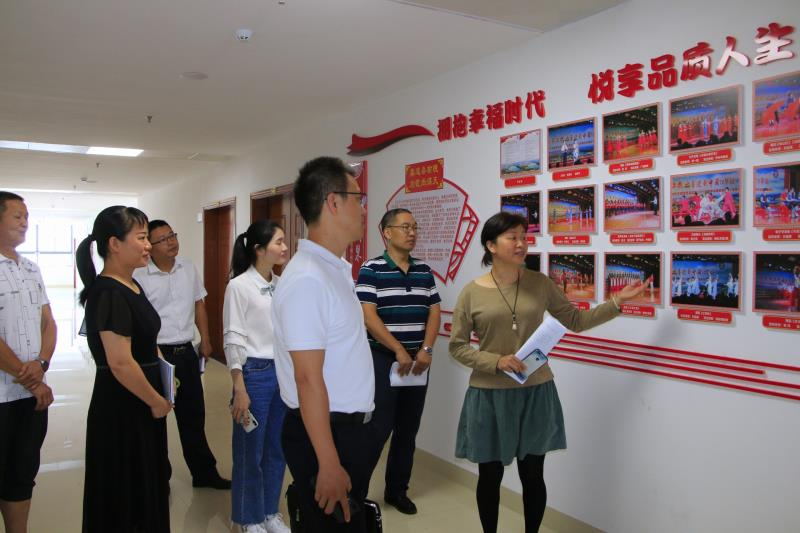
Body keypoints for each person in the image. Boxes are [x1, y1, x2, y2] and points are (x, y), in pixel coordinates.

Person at [449, 211, 644, 533]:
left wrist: (615, 303)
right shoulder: (471, 292)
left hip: (535, 391)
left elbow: (575, 321)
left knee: (533, 474)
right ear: (491, 245)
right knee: (490, 476)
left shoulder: (540, 283)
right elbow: (457, 347)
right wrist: (496, 361)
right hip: (489, 395)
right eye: (512, 237)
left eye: (524, 237)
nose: (521, 244)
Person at [272, 156, 374, 532]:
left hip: (343, 431)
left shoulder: (334, 270)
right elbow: (307, 378)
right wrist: (328, 462)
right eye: (358, 199)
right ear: (333, 202)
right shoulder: (308, 280)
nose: (364, 209)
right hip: (325, 436)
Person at [77, 206, 172, 533]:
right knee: (125, 490)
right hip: (123, 405)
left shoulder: (131, 285)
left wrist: (165, 381)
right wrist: (155, 400)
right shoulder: (107, 293)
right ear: (114, 244)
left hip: (142, 398)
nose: (148, 245)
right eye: (142, 238)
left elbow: (146, 341)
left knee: (146, 482)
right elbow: (119, 362)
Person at [356, 208, 441, 515]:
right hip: (383, 359)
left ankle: (397, 491)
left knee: (408, 430)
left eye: (415, 227)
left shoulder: (424, 271)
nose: (412, 232)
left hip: (418, 362)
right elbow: (368, 316)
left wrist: (426, 350)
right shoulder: (371, 269)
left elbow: (434, 312)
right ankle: (356, 494)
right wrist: (398, 350)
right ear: (387, 232)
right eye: (406, 227)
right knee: (378, 430)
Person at [134, 220, 230, 490]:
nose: (172, 242)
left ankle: (204, 474)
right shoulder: (139, 276)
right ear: (150, 246)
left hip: (186, 352)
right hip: (156, 355)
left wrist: (206, 340)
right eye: (163, 239)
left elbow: (199, 304)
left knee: (193, 415)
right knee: (156, 418)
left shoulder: (188, 268)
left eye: (172, 235)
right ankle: (158, 479)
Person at [223, 220, 291, 533]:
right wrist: (239, 386)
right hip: (254, 374)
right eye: (279, 242)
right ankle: (247, 518)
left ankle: (269, 512)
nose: (285, 247)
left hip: (282, 373)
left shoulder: (282, 284)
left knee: (277, 448)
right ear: (259, 249)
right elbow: (233, 337)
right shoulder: (239, 286)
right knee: (251, 451)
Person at [0, 192, 55, 533]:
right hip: (4, 396)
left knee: (22, 474)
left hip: (31, 397)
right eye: (17, 216)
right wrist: (33, 380)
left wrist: (42, 362)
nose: (24, 223)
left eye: (26, 217)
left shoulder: (31, 269)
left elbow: (48, 322)